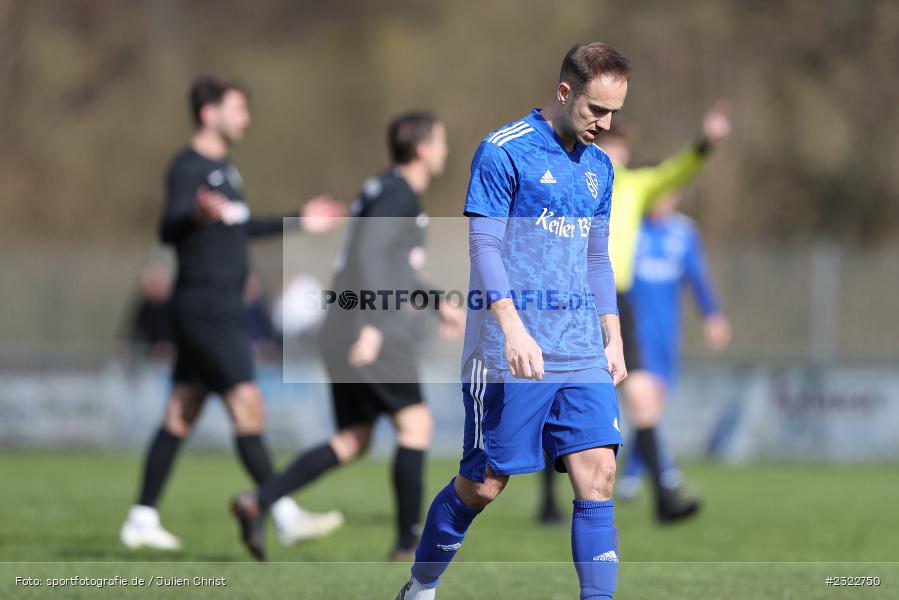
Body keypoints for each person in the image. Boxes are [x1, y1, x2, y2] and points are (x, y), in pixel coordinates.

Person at [395, 42, 630, 600]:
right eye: (596, 109)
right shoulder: (504, 151)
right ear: (565, 91)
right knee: (483, 484)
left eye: (615, 111)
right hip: (508, 353)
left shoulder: (600, 167)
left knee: (599, 473)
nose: (606, 122)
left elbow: (596, 257)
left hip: (581, 351)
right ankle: (421, 589)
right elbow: (484, 246)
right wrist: (512, 326)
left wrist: (613, 332)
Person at [119, 74, 344, 551]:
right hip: (205, 308)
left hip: (215, 307)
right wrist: (193, 216)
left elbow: (239, 226)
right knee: (248, 404)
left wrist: (301, 220)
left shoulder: (226, 169)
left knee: (181, 413)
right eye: (238, 108)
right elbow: (168, 227)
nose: (246, 118)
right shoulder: (189, 167)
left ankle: (141, 518)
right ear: (209, 113)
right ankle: (280, 511)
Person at [229, 112, 464, 561]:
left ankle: (259, 502)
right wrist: (374, 327)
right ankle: (407, 542)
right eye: (441, 143)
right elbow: (373, 259)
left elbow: (391, 265)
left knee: (355, 438)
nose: (445, 152)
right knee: (416, 424)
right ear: (420, 148)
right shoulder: (400, 195)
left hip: (340, 322)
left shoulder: (380, 189)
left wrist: (436, 300)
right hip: (368, 324)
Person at [588, 101, 731, 523]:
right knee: (557, 395)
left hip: (619, 301)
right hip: (577, 297)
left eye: (621, 147)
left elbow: (676, 172)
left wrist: (705, 143)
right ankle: (546, 501)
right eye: (609, 145)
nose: (617, 154)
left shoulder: (635, 186)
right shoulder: (576, 181)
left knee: (644, 396)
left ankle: (664, 495)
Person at [618, 190, 731, 498]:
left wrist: (712, 315)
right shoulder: (629, 226)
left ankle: (633, 474)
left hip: (668, 334)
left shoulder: (684, 232)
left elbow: (697, 277)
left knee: (655, 405)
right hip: (633, 332)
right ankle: (663, 472)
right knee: (646, 403)